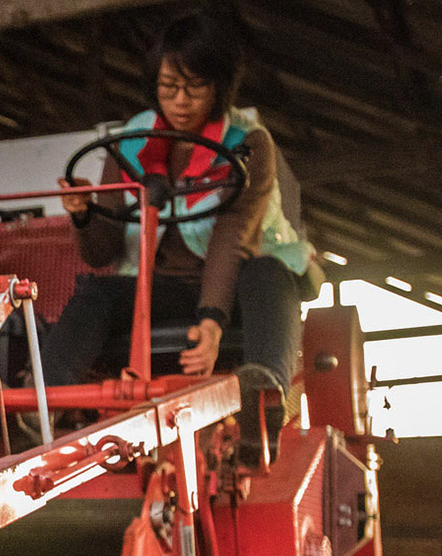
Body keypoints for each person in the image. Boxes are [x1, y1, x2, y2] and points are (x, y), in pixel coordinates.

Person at [43, 13, 319, 449]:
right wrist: (84, 214)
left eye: (196, 87)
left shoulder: (249, 144)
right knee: (97, 291)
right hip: (165, 291)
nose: (181, 101)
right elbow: (101, 253)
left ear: (220, 86)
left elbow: (234, 237)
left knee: (267, 273)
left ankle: (264, 401)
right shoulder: (129, 143)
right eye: (168, 87)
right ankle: (39, 406)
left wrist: (211, 322)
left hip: (243, 288)